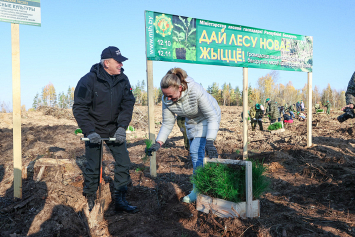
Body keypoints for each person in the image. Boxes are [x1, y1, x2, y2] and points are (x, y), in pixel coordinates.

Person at [73, 46, 138, 213]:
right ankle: (90, 198)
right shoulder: (87, 80)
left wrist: (122, 127)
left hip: (115, 130)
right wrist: (89, 130)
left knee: (124, 162)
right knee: (93, 165)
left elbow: (127, 104)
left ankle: (120, 199)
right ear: (106, 63)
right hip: (94, 130)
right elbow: (79, 107)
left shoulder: (123, 80)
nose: (121, 65)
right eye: (118, 62)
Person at [146, 67, 221, 203]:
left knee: (196, 151)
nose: (168, 99)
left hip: (208, 117)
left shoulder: (195, 90)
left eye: (170, 95)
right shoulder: (166, 100)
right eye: (165, 95)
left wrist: (210, 141)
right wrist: (159, 142)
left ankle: (200, 189)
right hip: (192, 121)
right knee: (195, 155)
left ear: (180, 88)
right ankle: (202, 186)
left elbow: (212, 116)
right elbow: (168, 123)